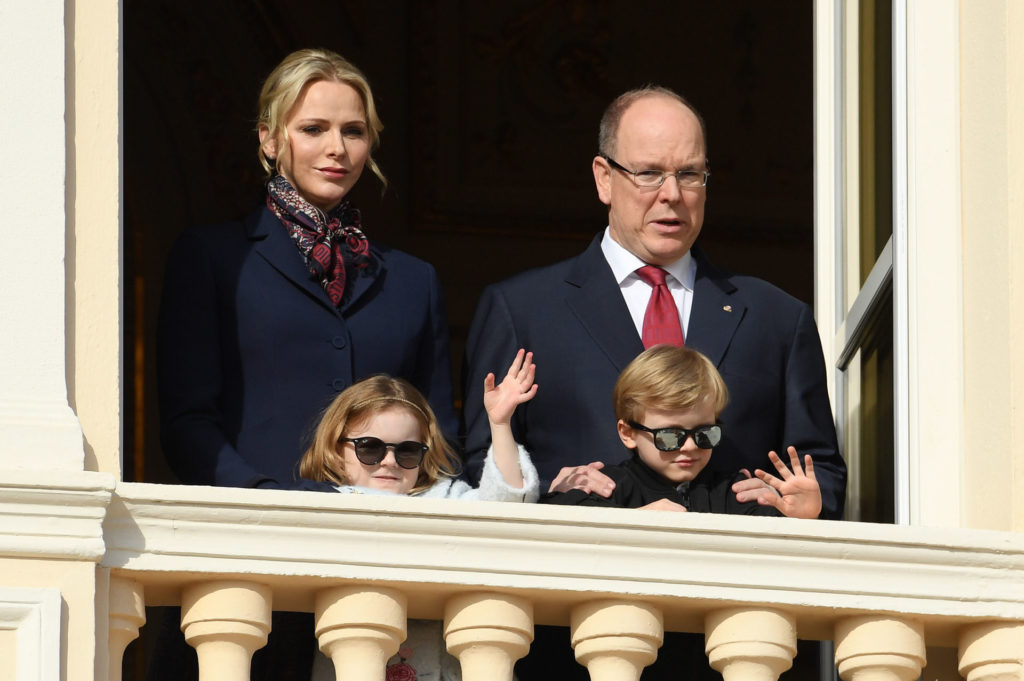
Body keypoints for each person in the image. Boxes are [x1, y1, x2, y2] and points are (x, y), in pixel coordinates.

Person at [460, 85, 844, 681]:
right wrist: (547, 491)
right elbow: (480, 467)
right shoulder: (522, 308)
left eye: (690, 174)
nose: (672, 195)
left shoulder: (776, 318)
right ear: (602, 178)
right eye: (648, 173)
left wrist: (801, 507)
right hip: (570, 644)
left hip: (734, 646)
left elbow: (819, 472)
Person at [153, 48, 457, 680]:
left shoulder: (413, 281)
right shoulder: (212, 257)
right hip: (244, 569)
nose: (336, 148)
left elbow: (440, 438)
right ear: (269, 139)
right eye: (313, 129)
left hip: (380, 579)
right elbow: (188, 423)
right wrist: (275, 506)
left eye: (353, 131)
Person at [303, 351, 539, 680]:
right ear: (335, 449)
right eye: (369, 448)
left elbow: (505, 509)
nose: (388, 461)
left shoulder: (444, 498)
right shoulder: (320, 503)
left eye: (406, 451)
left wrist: (499, 425)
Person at [542, 344, 821, 518]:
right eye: (670, 436)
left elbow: (773, 543)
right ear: (628, 433)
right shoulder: (609, 485)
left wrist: (801, 519)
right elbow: (558, 516)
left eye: (704, 434)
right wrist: (634, 521)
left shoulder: (732, 490)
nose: (689, 447)